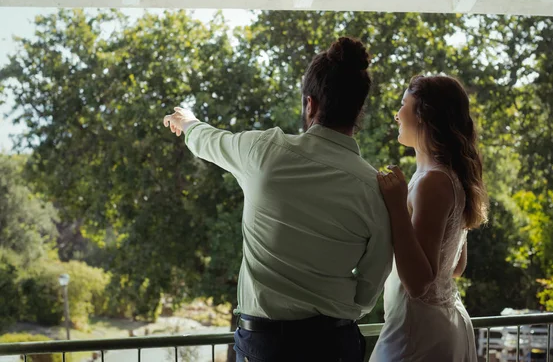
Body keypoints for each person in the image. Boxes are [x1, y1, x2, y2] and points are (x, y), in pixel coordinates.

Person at [163, 37, 392, 362]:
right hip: (335, 345)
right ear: (359, 110)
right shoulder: (374, 188)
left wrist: (187, 123)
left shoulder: (264, 152)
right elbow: (373, 280)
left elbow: (210, 140)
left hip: (265, 346)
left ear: (310, 104)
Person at [370, 75, 488, 362]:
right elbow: (455, 266)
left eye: (403, 105)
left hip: (418, 334)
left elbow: (419, 282)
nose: (397, 114)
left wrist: (397, 206)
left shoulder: (432, 182)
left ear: (423, 114)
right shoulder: (450, 177)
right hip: (442, 325)